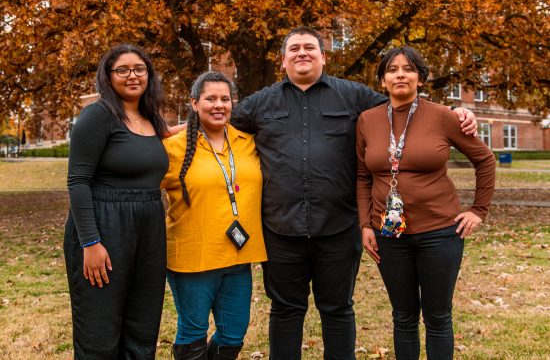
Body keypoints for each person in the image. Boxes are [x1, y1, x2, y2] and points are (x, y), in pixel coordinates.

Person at [230, 26, 477, 360]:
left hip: (338, 227)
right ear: (283, 59)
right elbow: (214, 119)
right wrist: (159, 131)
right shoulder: (260, 102)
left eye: (310, 48)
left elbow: (405, 104)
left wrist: (456, 112)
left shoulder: (353, 96)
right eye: (294, 49)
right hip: (280, 227)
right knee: (286, 310)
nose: (302, 53)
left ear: (323, 56)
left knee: (337, 309)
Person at [356, 46, 496, 360]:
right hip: (389, 235)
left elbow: (485, 160)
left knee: (437, 317)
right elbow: (363, 176)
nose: (400, 74)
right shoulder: (367, 120)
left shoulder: (443, 117)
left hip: (440, 233)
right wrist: (365, 224)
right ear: (382, 81)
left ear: (420, 78)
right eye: (392, 69)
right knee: (403, 315)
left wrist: (478, 210)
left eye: (408, 69)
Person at [63, 44, 169, 359]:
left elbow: (163, 142)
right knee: (100, 333)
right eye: (122, 70)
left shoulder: (149, 117)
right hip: (105, 227)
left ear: (149, 75)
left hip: (149, 228)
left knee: (142, 329)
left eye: (140, 68)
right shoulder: (98, 115)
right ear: (108, 77)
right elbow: (78, 181)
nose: (132, 75)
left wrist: (206, 122)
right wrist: (91, 243)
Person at [162, 71, 267, 360]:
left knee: (233, 333)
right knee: (193, 332)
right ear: (195, 103)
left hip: (238, 255)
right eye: (210, 99)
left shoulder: (248, 142)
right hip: (193, 257)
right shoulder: (174, 147)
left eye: (225, 98)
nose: (218, 105)